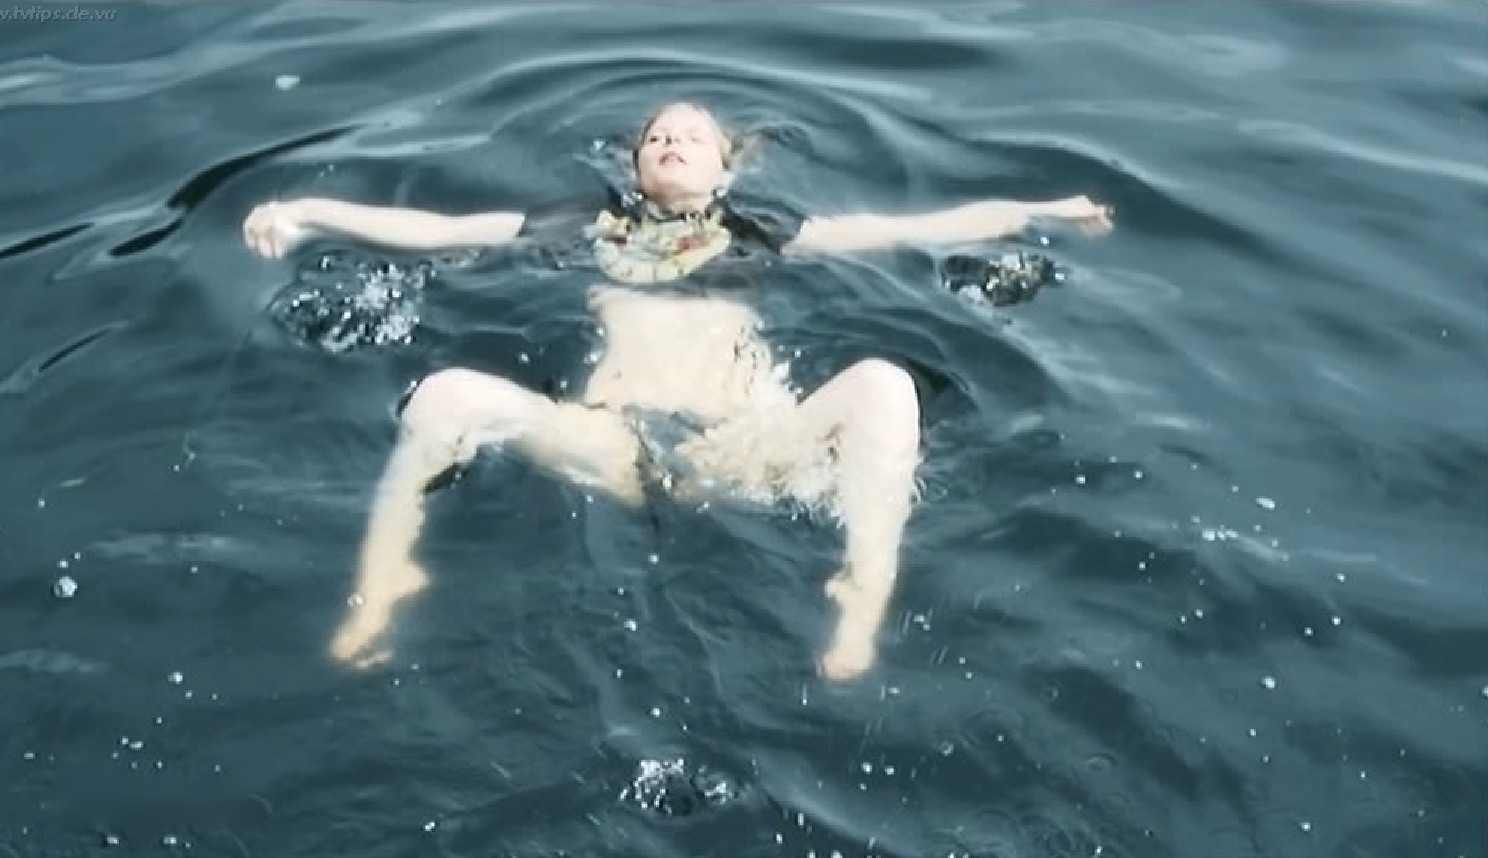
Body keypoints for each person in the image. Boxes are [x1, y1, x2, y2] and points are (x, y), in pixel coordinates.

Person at [241, 101, 1112, 681]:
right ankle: (384, 581)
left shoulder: (760, 233)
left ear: (725, 171)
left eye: (693, 135)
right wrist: (310, 213)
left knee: (885, 386)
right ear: (633, 162)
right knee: (444, 396)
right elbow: (436, 231)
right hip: (611, 441)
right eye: (657, 135)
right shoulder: (581, 223)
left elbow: (908, 228)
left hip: (741, 444)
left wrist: (1040, 212)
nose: (671, 141)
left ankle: (862, 591)